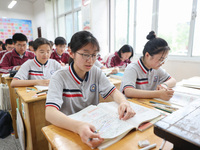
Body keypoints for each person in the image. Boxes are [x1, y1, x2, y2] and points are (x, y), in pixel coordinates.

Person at [45, 31, 135, 148]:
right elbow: (50, 113)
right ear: (71, 53)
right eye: (85, 55)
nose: (91, 60)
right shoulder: (59, 77)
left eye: (94, 55)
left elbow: (113, 91)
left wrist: (124, 102)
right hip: (68, 128)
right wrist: (78, 126)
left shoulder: (95, 72)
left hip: (94, 126)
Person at [120, 31, 176, 101]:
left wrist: (164, 85)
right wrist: (158, 94)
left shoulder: (156, 68)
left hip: (147, 104)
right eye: (160, 59)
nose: (162, 63)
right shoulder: (132, 68)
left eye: (164, 60)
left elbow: (173, 80)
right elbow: (128, 91)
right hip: (131, 105)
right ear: (147, 55)